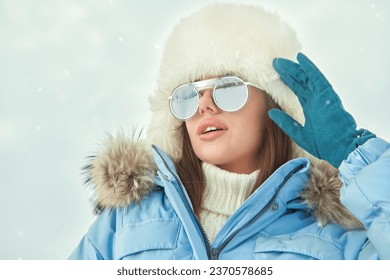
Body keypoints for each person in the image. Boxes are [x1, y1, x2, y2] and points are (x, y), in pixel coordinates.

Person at [69, 3, 390, 260]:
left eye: (228, 87)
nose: (204, 105)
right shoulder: (124, 225)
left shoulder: (333, 237)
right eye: (188, 94)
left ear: (275, 106)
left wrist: (355, 155)